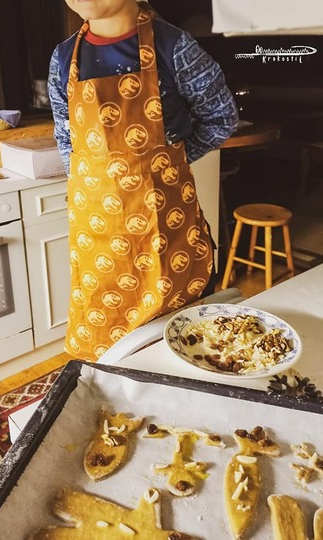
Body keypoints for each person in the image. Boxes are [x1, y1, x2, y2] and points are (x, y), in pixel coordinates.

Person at [48, 0, 239, 361]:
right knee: (107, 349)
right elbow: (66, 138)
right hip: (97, 237)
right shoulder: (62, 58)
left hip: (166, 231)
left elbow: (221, 118)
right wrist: (84, 184)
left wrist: (167, 163)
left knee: (175, 344)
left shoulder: (174, 47)